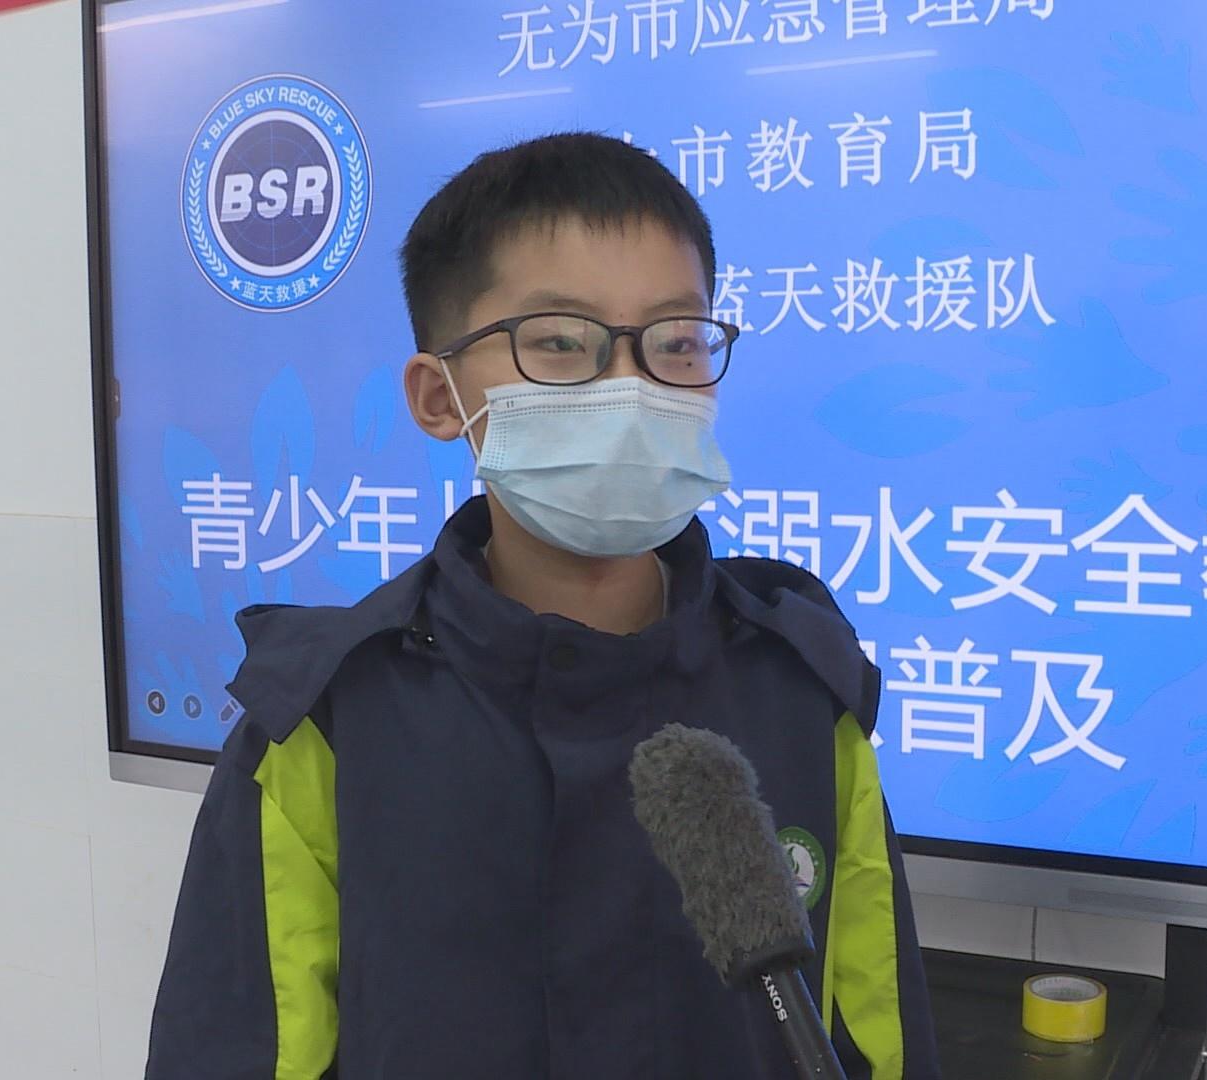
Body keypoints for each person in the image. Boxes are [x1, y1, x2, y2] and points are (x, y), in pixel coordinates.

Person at [146, 131, 942, 1080]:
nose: (632, 389)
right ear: (440, 397)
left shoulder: (803, 697)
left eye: (676, 343)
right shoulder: (326, 725)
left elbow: (880, 1042)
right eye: (562, 342)